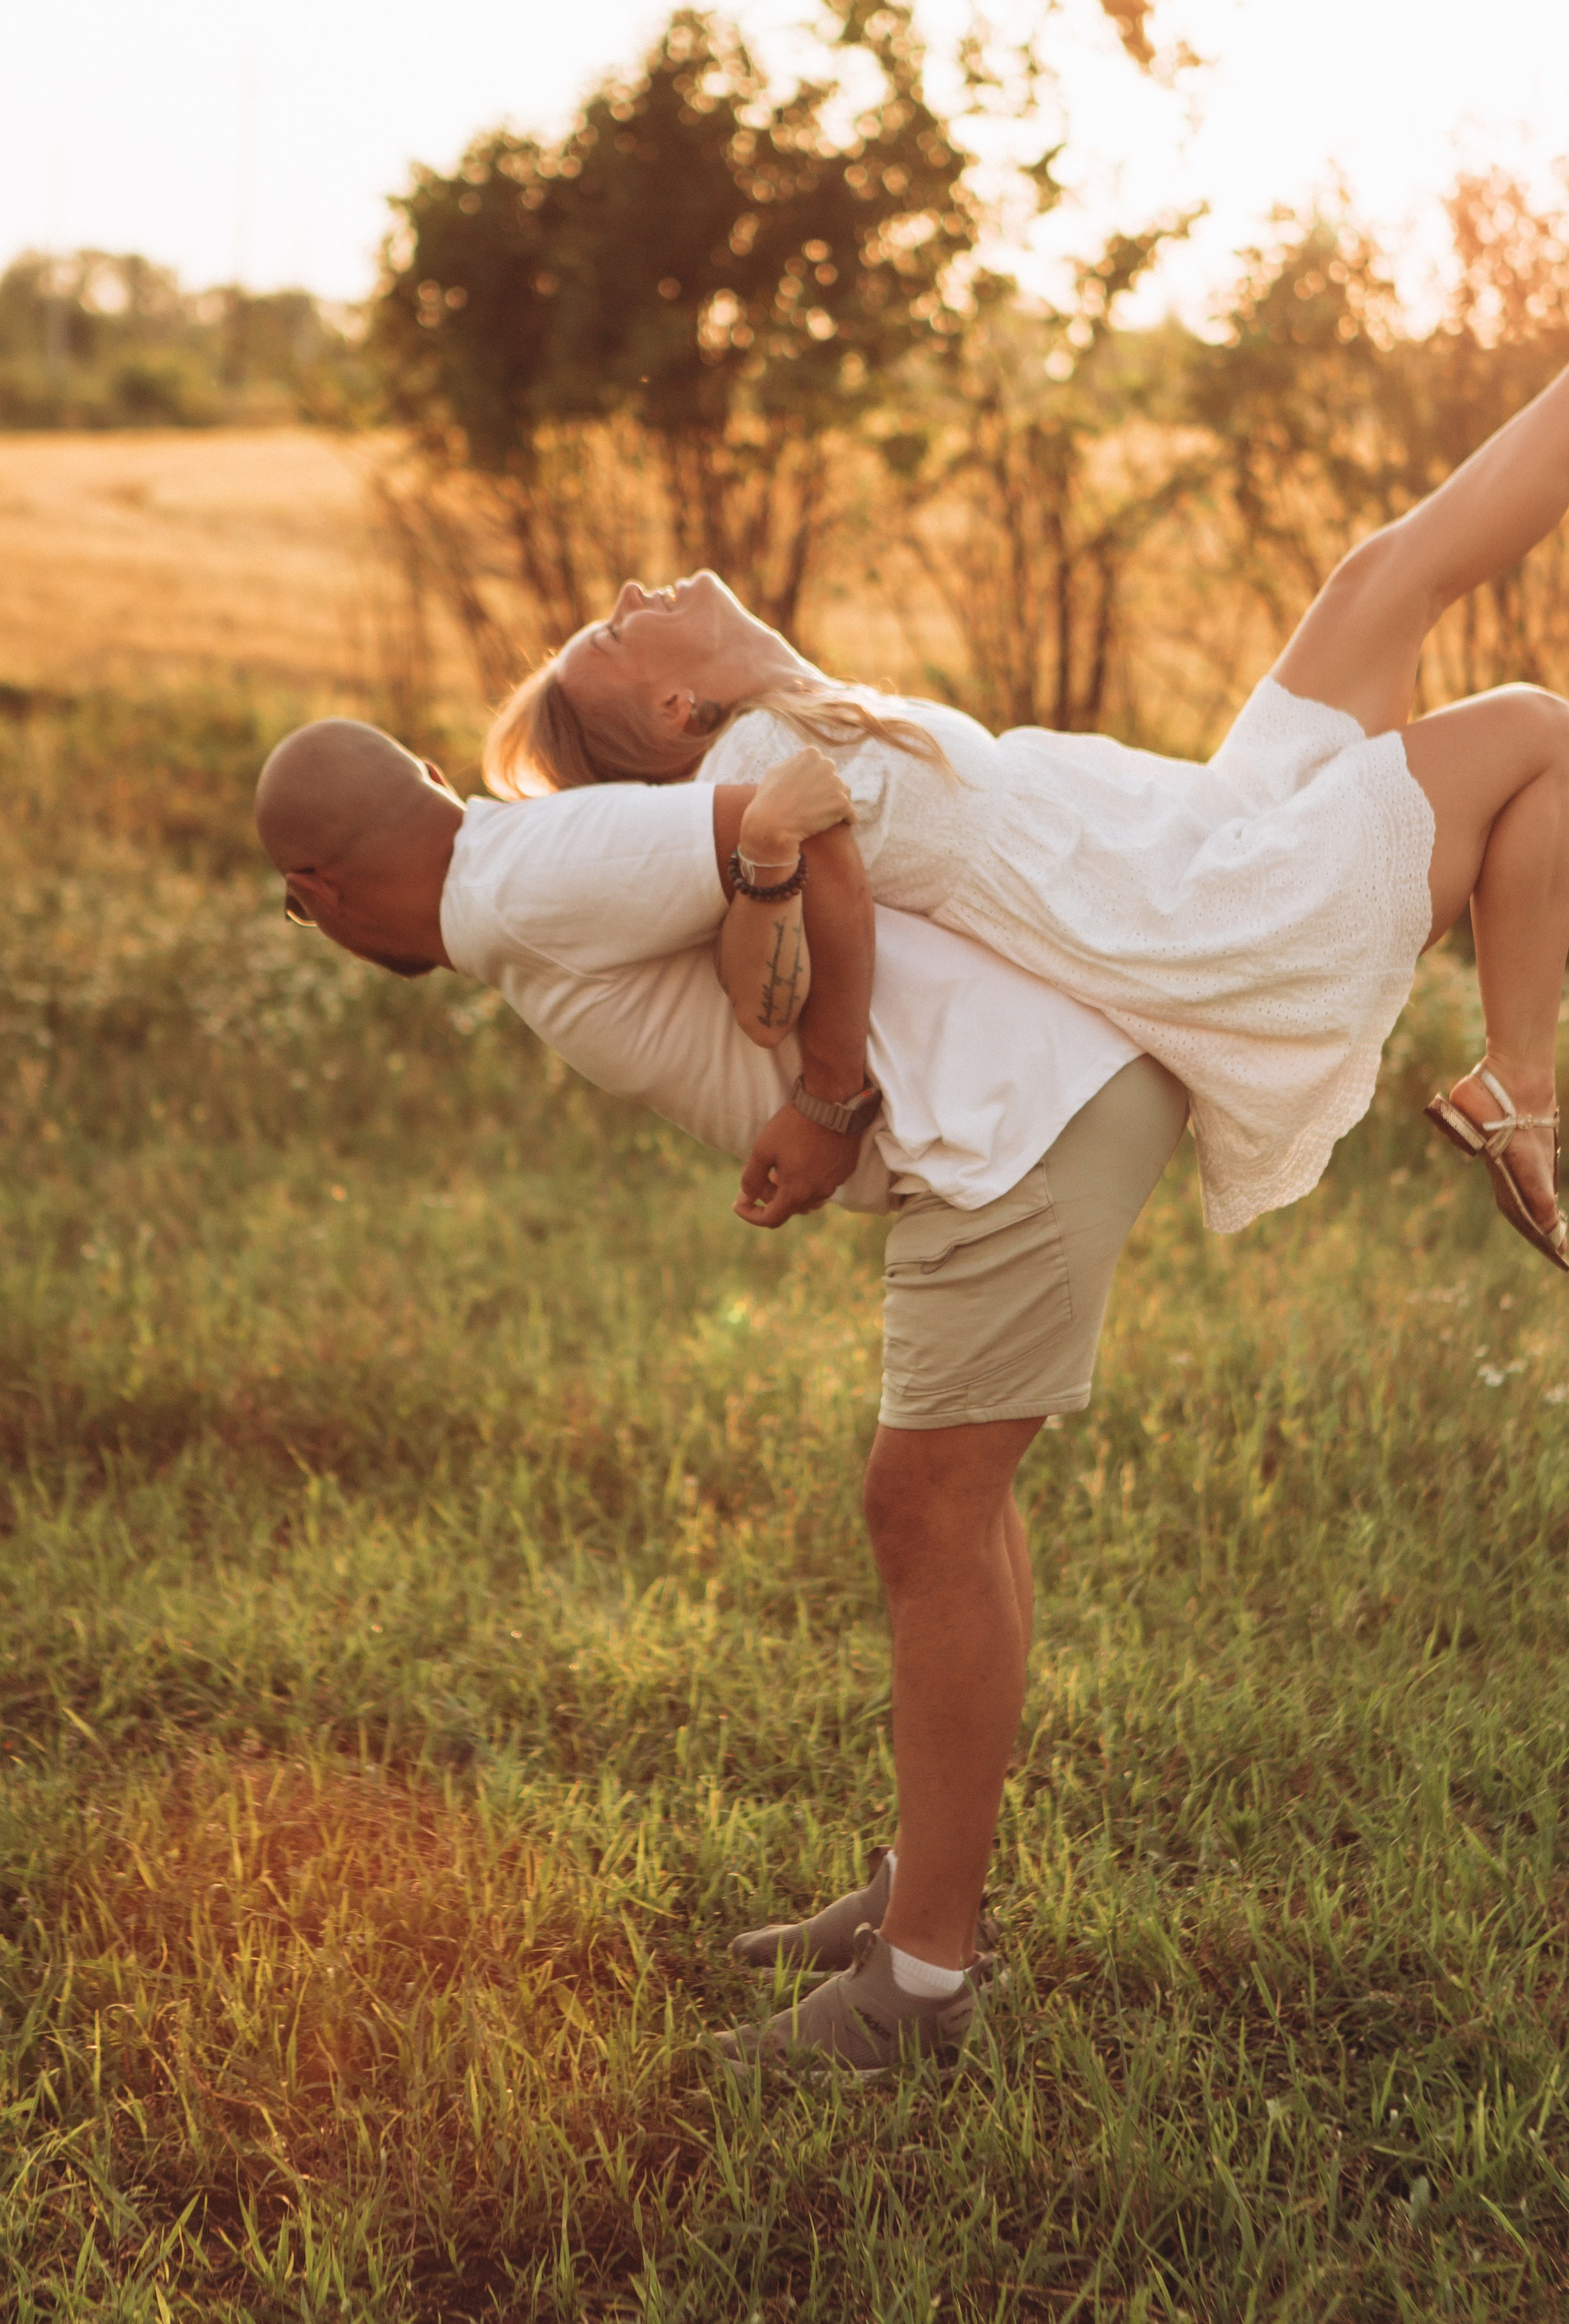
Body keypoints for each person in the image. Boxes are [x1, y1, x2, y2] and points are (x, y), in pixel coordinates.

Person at [486, 127, 1569, 1272]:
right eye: (618, 629)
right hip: (1213, 913)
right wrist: (764, 884)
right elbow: (758, 974)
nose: (638, 588)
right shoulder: (747, 769)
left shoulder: (798, 710)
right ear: (672, 718)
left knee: (1389, 571)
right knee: (1537, 732)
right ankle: (1517, 1094)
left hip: (1194, 828)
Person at [255, 718, 1186, 2075]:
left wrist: (825, 1097)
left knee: (922, 1506)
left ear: (319, 895)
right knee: (949, 1502)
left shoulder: (519, 875)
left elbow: (789, 816)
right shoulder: (509, 881)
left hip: (1015, 1130)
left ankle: (920, 1985)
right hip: (1008, 1122)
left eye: (296, 912)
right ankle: (931, 1892)